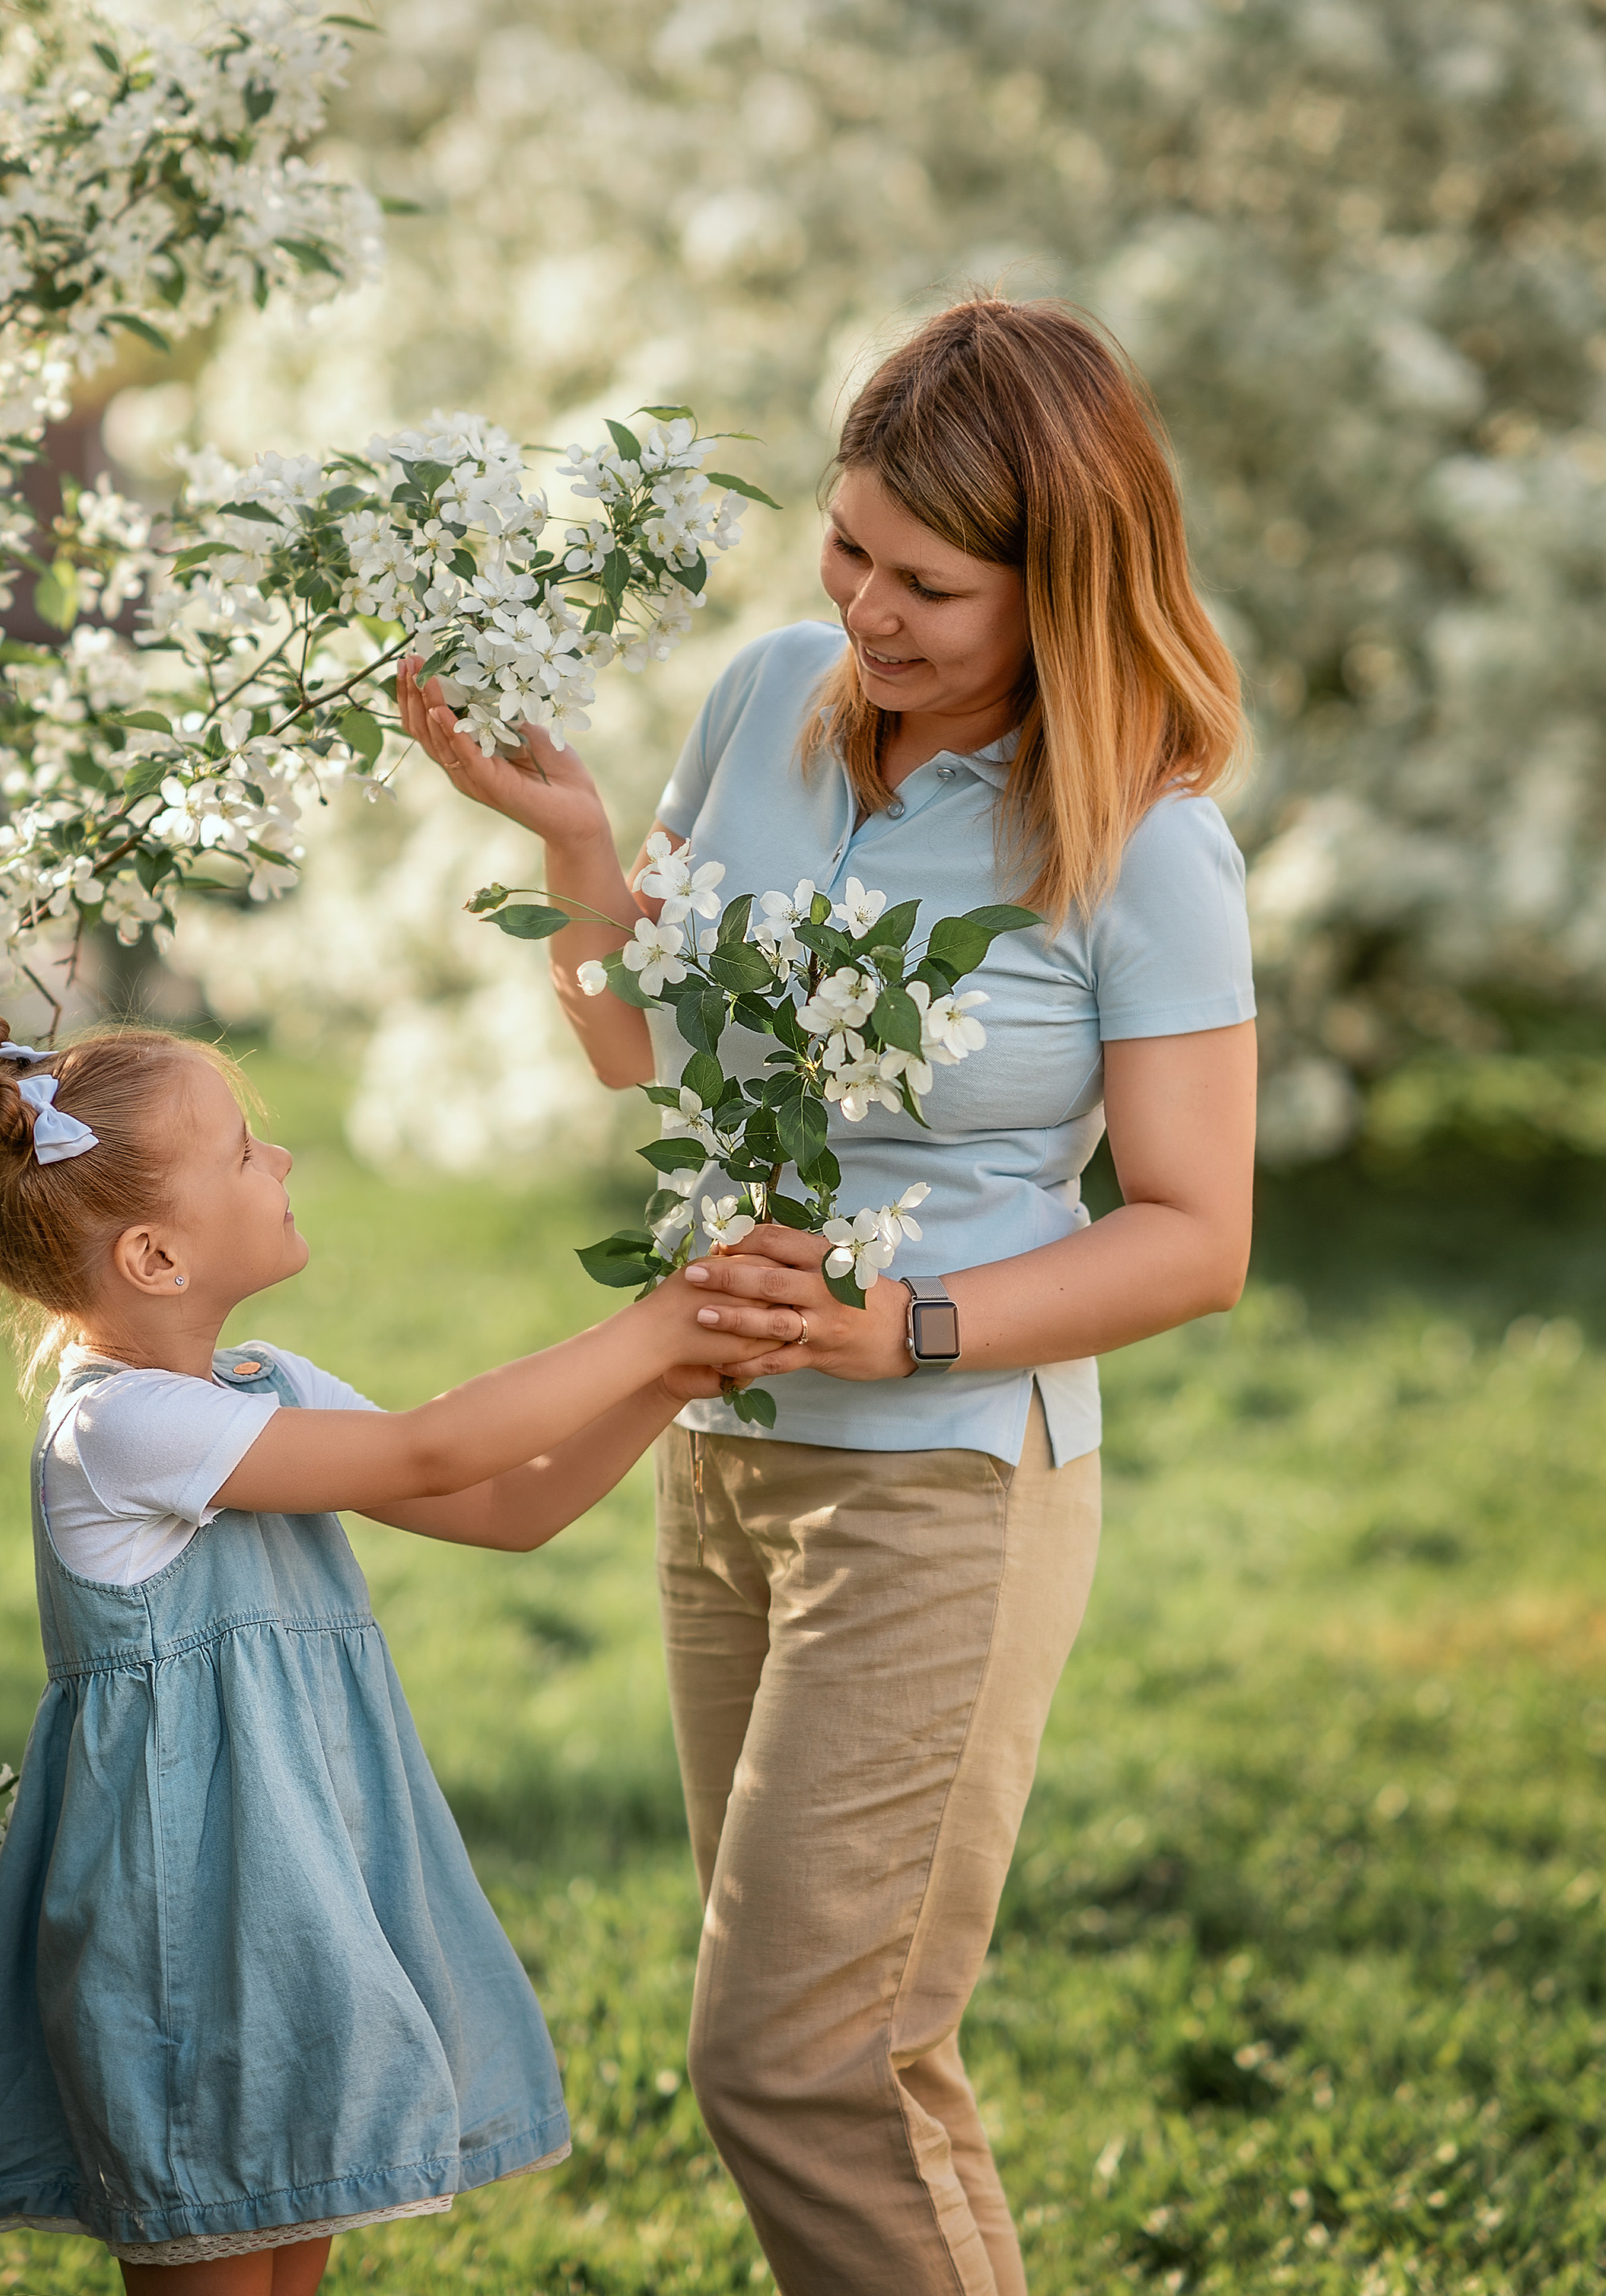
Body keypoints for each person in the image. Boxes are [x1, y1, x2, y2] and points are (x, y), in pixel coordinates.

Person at [397, 293, 1258, 2296]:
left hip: (947, 1481)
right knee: (838, 2057)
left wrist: (910, 1328)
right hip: (723, 1452)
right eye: (848, 547)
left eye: (929, 583)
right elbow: (648, 1057)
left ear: (1066, 585)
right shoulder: (772, 694)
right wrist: (585, 854)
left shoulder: (1147, 844)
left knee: (802, 2067)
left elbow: (1197, 1234)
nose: (867, 609)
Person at [0, 1015, 798, 2294]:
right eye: (241, 1154)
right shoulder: (120, 1430)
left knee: (293, 2237)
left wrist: (671, 1380)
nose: (283, 1159)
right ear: (154, 1254)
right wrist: (648, 1330)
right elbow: (432, 1452)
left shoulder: (263, 1383)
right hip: (193, 1919)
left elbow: (506, 1506)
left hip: (307, 1887)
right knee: (215, 2236)